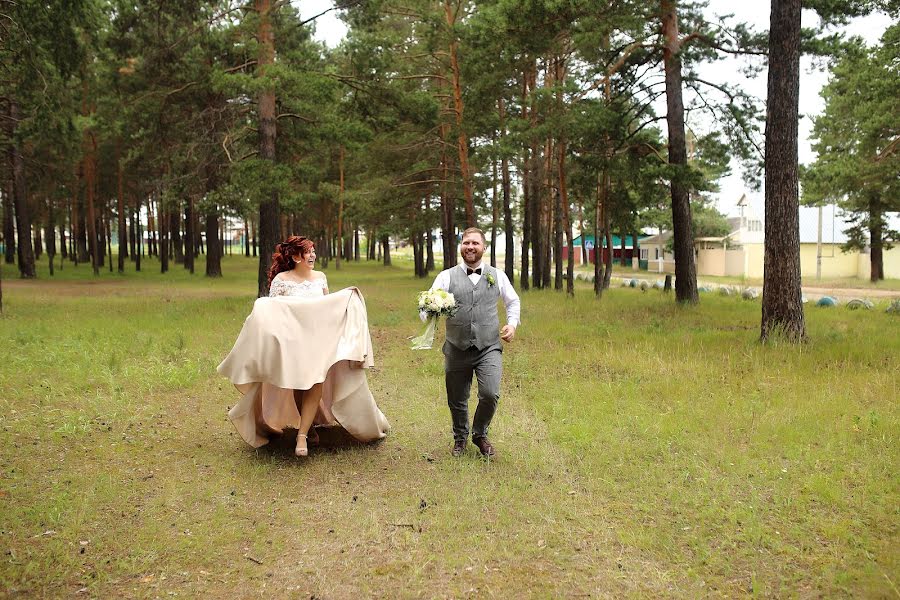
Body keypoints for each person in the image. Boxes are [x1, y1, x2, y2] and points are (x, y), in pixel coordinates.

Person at [218, 235, 389, 457]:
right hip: (293, 343)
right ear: (296, 256)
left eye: (314, 251)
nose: (313, 256)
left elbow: (327, 308)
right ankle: (307, 430)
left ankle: (302, 435)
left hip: (317, 341)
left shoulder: (320, 278)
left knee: (315, 381)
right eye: (309, 252)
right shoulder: (281, 280)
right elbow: (273, 313)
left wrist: (348, 299)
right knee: (300, 385)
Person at [426, 227, 521, 457]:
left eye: (475, 243)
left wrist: (512, 324)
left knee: (490, 393)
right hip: (456, 346)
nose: (470, 247)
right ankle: (460, 438)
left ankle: (479, 434)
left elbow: (513, 301)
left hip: (488, 346)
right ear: (461, 246)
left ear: (484, 248)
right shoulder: (446, 276)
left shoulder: (497, 275)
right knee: (457, 397)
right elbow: (429, 304)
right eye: (466, 242)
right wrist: (430, 310)